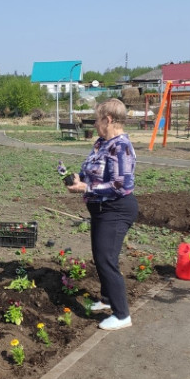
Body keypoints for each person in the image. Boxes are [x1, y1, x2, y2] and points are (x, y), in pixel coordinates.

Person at [65, 98, 139, 331]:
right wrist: (79, 178)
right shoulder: (101, 143)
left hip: (116, 209)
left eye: (97, 119)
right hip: (100, 209)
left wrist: (86, 188)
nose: (95, 124)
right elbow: (91, 171)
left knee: (106, 259)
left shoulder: (121, 146)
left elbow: (121, 186)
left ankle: (122, 314)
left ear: (108, 120)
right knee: (103, 256)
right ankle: (107, 299)